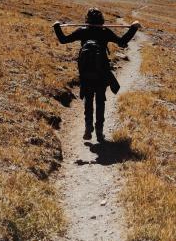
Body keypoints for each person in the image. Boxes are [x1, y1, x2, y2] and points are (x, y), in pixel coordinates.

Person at [53, 7, 141, 142]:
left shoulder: (82, 30)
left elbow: (63, 40)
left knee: (88, 99)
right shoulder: (104, 31)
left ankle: (88, 126)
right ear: (101, 19)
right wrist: (133, 28)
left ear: (87, 19)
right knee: (100, 100)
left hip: (85, 71)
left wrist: (57, 27)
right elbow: (122, 43)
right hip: (102, 71)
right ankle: (99, 131)